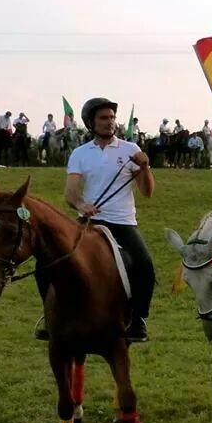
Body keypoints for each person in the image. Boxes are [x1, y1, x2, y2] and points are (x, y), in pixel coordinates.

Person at [35, 97, 156, 342]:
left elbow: (147, 192)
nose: (109, 122)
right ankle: (50, 315)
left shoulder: (130, 149)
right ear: (91, 122)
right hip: (89, 222)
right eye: (103, 118)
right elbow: (70, 193)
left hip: (123, 222)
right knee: (45, 263)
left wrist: (144, 168)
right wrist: (82, 205)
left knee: (145, 265)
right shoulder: (80, 154)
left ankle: (138, 319)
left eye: (112, 117)